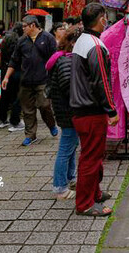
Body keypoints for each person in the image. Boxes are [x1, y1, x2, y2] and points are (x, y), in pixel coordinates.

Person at [70, 3, 118, 216]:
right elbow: (102, 83)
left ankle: (94, 193)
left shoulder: (81, 41)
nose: (106, 21)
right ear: (101, 20)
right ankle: (85, 203)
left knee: (92, 155)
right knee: (91, 158)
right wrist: (112, 110)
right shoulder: (96, 46)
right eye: (105, 17)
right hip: (91, 110)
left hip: (81, 109)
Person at [2, 15, 58, 146]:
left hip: (43, 80)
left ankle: (51, 125)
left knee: (44, 106)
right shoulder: (22, 41)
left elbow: (55, 58)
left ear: (33, 25)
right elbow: (14, 60)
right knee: (28, 110)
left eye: (25, 26)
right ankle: (30, 135)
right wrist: (6, 77)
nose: (23, 28)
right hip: (26, 81)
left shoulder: (48, 38)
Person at [47, 26, 81, 199]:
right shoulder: (67, 61)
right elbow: (69, 87)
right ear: (74, 43)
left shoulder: (63, 58)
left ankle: (71, 177)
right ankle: (60, 187)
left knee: (71, 145)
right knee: (66, 147)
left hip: (65, 110)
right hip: (69, 111)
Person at [0, 23, 24, 130]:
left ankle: (2, 120)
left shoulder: (5, 39)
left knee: (5, 96)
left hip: (4, 70)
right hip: (15, 70)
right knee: (16, 97)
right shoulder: (20, 41)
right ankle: (15, 122)